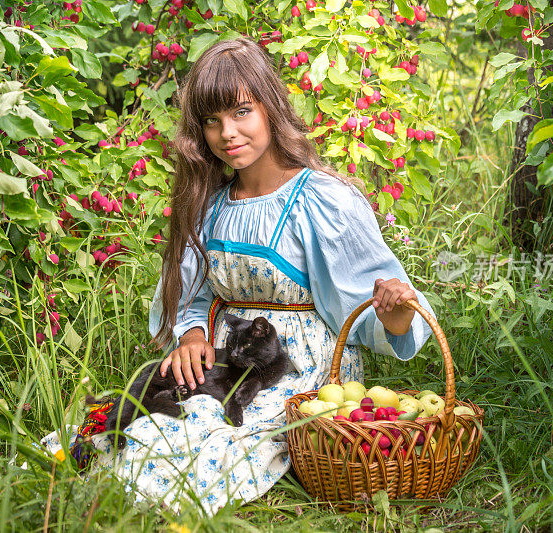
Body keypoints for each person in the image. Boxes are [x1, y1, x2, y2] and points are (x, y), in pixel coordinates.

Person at [41, 37, 435, 515]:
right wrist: (189, 334)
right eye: (212, 121)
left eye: (241, 112)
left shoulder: (325, 201)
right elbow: (195, 294)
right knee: (148, 423)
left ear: (270, 107)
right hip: (228, 357)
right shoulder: (210, 206)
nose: (227, 132)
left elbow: (371, 306)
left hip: (298, 370)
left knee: (208, 439)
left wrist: (392, 310)